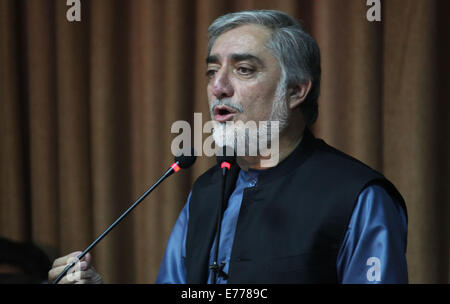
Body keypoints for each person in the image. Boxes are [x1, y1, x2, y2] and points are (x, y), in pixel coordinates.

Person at [48, 9, 408, 284]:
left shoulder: (358, 196)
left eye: (244, 70)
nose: (218, 86)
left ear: (297, 90)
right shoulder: (205, 192)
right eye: (211, 71)